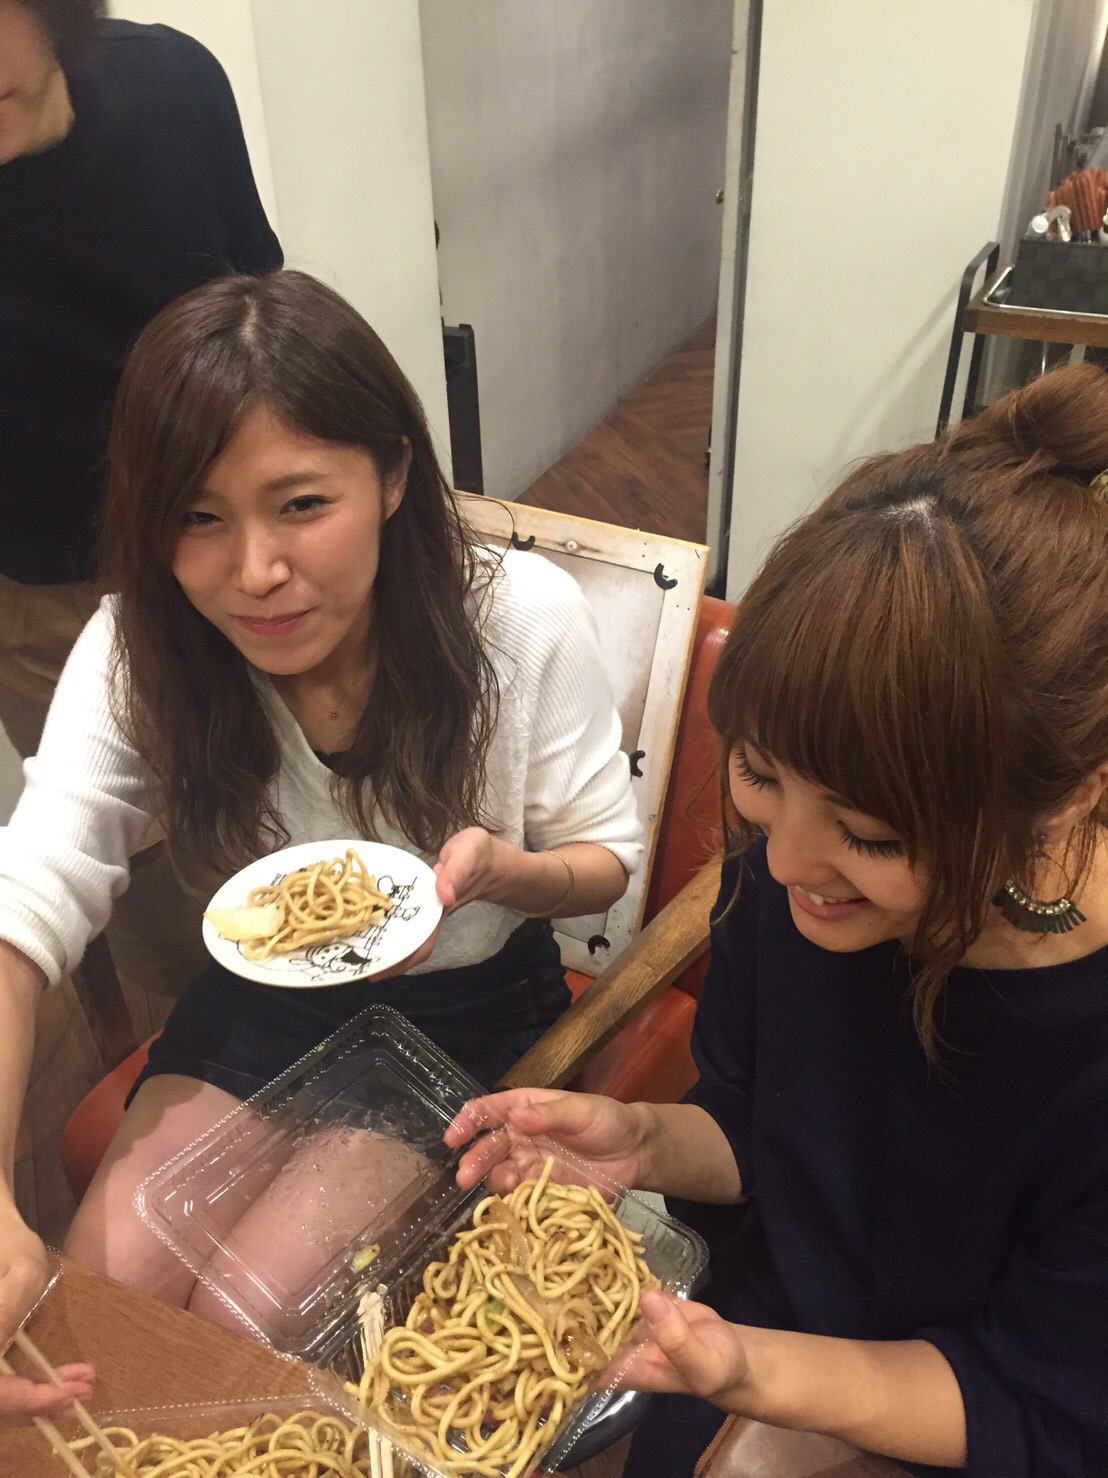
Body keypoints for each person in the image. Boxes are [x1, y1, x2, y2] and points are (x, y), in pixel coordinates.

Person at [449, 362, 1108, 1476]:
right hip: (766, 1315)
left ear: (1071, 794)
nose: (788, 863)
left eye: (873, 834)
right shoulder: (793, 876)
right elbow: (768, 1127)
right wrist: (644, 1139)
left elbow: (1037, 1399)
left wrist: (757, 1375)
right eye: (758, 773)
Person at [0, 271, 642, 1413]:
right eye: (198, 517)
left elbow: (604, 858)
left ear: (392, 473)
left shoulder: (518, 617)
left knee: (245, 1319)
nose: (255, 572)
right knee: (95, 1304)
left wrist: (507, 873)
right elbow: (30, 891)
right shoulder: (142, 641)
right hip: (261, 1002)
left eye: (300, 504)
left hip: (465, 1009)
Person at [0, 0, 282, 756]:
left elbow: (261, 310)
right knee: (121, 824)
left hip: (241, 541)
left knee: (296, 786)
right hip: (45, 599)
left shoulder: (172, 81)